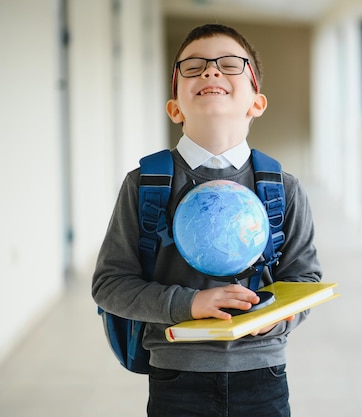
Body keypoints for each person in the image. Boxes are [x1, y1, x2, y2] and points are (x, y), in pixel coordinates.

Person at [92, 23, 322, 417]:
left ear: (257, 102)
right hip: (177, 375)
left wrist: (273, 320)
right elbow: (110, 284)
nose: (211, 72)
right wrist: (190, 302)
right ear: (175, 107)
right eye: (193, 67)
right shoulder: (145, 184)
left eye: (230, 65)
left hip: (262, 371)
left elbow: (305, 280)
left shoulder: (282, 187)